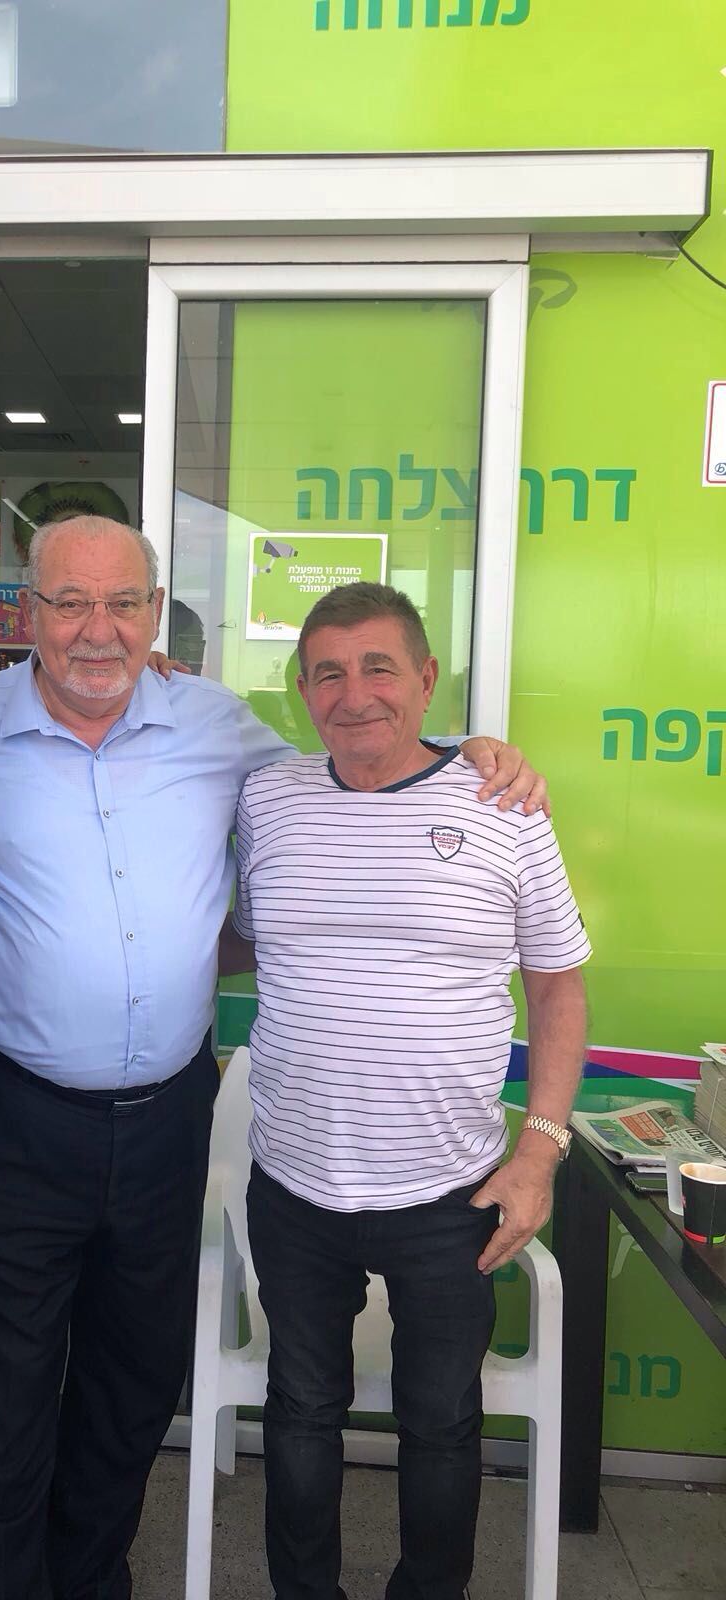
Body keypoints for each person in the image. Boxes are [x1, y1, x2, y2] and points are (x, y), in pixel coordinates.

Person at [0, 517, 548, 1600]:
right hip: (17, 1118)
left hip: (166, 1118)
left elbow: (363, 758)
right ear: (30, 614)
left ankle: (93, 1580)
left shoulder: (220, 729)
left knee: (131, 1383)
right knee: (6, 1391)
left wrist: (477, 753)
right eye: (70, 603)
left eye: (123, 604)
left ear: (154, 615)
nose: (97, 629)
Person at [226, 581, 590, 1600]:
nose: (355, 695)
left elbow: (559, 990)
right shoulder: (269, 798)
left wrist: (540, 1150)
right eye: (328, 673)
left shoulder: (504, 806)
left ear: (427, 678)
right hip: (293, 1184)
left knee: (440, 1424)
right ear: (302, 690)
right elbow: (244, 936)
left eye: (379, 667)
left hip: (450, 1192)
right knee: (301, 1411)